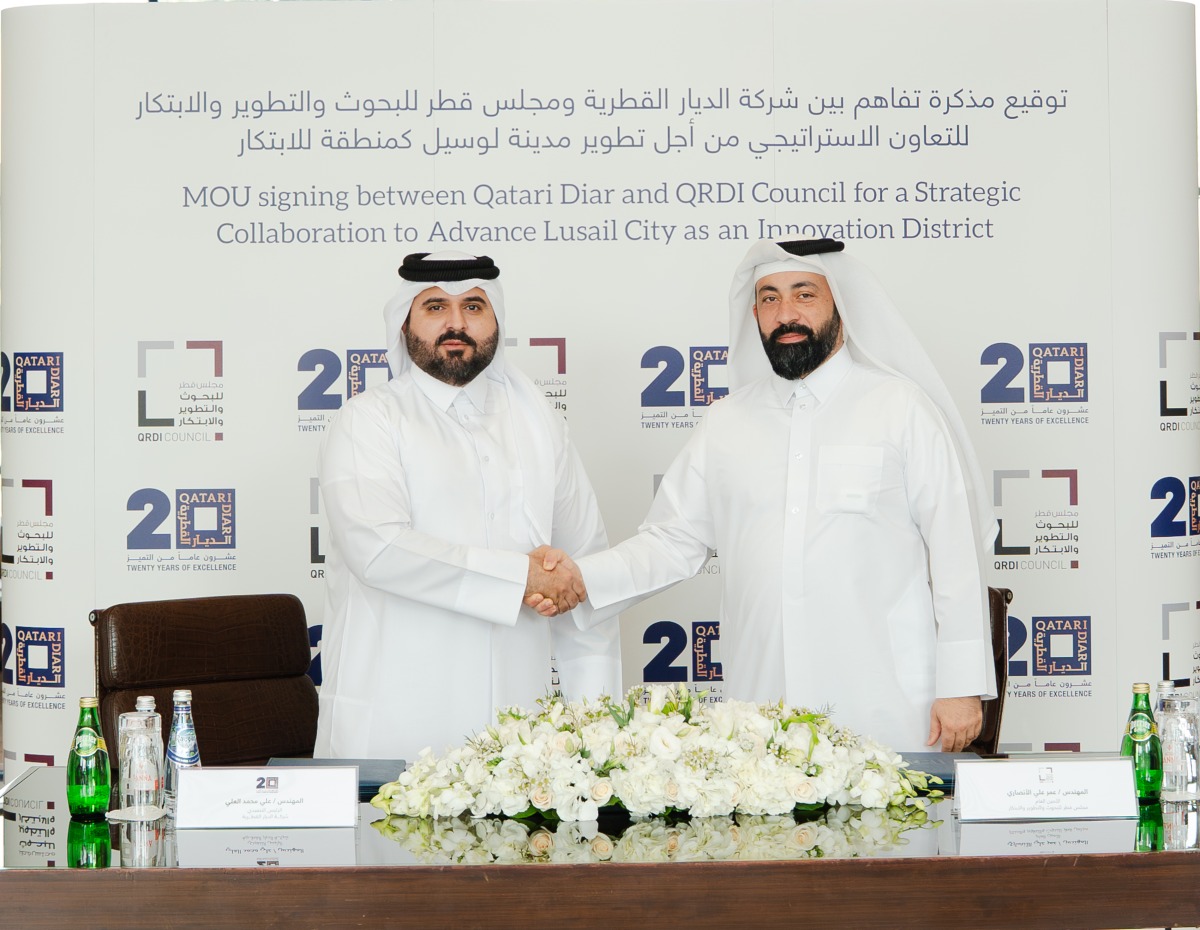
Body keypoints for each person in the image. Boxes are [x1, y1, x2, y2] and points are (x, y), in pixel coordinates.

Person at [540, 237, 996, 752]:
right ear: (754, 313)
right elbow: (672, 540)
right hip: (762, 707)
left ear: (840, 305)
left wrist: (961, 687)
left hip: (884, 701)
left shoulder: (900, 407)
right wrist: (582, 578)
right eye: (770, 299)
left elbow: (956, 550)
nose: (786, 314)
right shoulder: (727, 421)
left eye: (804, 295)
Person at [315, 250, 620, 761]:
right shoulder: (369, 420)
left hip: (518, 739)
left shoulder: (540, 424)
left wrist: (598, 732)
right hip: (396, 726)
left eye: (473, 306)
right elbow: (379, 550)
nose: (456, 323)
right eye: (436, 307)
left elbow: (581, 577)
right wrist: (520, 578)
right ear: (405, 322)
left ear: (495, 319)